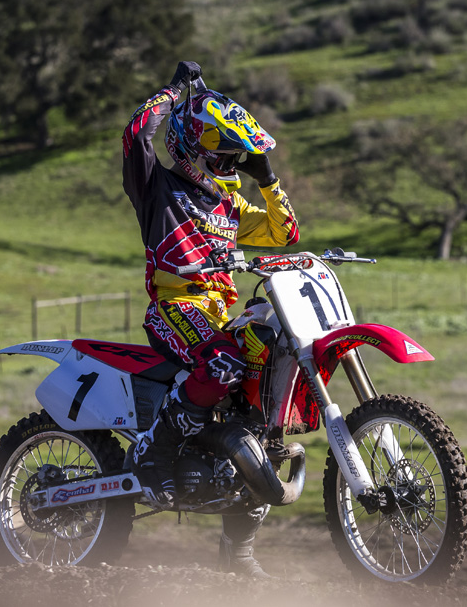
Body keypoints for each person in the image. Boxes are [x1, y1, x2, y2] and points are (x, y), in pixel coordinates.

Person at [121, 61, 299, 577]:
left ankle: (237, 552)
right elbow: (136, 134)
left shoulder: (229, 204)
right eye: (222, 155)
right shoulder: (156, 187)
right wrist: (173, 92)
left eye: (235, 158)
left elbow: (285, 233)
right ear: (192, 149)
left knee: (261, 412)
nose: (230, 164)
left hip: (220, 314)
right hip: (175, 308)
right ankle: (155, 452)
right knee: (223, 362)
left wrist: (267, 177)